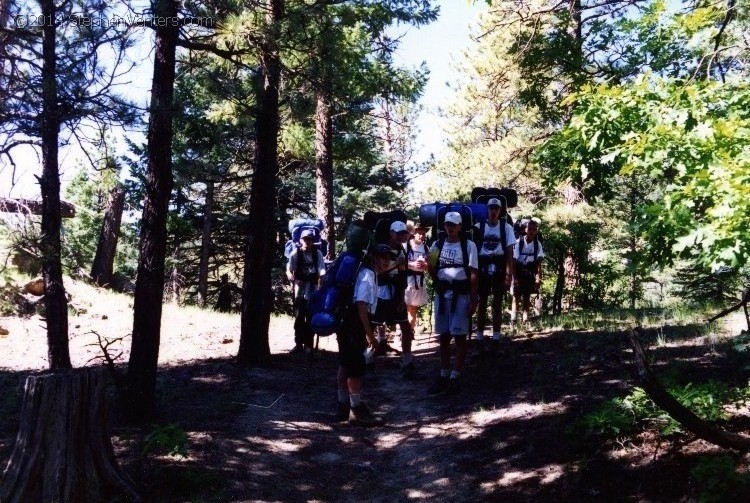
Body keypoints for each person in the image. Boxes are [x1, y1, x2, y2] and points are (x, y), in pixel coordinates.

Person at [335, 244, 394, 426]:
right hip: (354, 325)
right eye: (383, 257)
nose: (386, 261)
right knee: (355, 367)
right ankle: (355, 410)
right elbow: (361, 307)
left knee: (346, 364)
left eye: (388, 257)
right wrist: (371, 336)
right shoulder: (368, 275)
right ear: (373, 257)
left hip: (347, 324)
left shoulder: (368, 273)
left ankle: (343, 406)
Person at [427, 211, 479, 395]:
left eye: (453, 224)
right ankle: (443, 374)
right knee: (444, 335)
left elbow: (473, 273)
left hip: (461, 295)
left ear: (460, 227)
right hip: (442, 295)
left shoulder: (469, 245)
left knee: (460, 335)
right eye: (447, 224)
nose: (450, 227)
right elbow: (430, 266)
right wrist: (438, 282)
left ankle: (455, 376)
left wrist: (474, 299)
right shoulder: (437, 244)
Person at [372, 221, 417, 379]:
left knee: (404, 325)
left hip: (396, 292)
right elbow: (377, 274)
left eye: (402, 233)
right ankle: (367, 358)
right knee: (373, 324)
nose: (400, 236)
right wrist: (394, 267)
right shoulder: (380, 249)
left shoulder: (402, 250)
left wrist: (401, 295)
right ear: (391, 233)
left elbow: (402, 274)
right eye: (397, 233)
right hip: (381, 291)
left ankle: (407, 361)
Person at [473, 197, 516, 353]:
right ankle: (479, 338)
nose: (493, 211)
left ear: (500, 211)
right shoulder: (478, 227)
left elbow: (510, 252)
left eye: (496, 209)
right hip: (483, 267)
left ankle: (496, 338)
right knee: (482, 303)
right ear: (487, 210)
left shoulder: (507, 228)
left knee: (497, 303)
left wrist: (509, 274)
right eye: (491, 208)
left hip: (499, 266)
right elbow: (473, 252)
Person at [286, 229, 326, 354]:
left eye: (309, 239)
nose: (307, 241)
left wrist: (321, 279)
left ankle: (309, 345)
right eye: (305, 239)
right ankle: (298, 344)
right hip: (300, 290)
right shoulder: (295, 254)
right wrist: (295, 280)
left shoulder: (317, 253)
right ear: (300, 240)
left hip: (313, 290)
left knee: (310, 318)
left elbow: (321, 268)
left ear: (312, 240)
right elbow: (288, 270)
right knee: (299, 318)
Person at [513, 218, 544, 324]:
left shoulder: (537, 244)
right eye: (530, 229)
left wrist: (538, 277)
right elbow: (514, 261)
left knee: (526, 296)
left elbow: (539, 262)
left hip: (530, 272)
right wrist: (515, 278)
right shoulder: (518, 243)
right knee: (516, 296)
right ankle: (514, 319)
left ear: (536, 231)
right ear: (525, 229)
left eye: (534, 229)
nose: (532, 231)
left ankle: (525, 319)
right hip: (518, 271)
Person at [404, 222, 430, 334]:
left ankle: (411, 331)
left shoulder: (426, 248)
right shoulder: (406, 245)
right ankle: (402, 332)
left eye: (424, 233)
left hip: (419, 281)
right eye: (420, 233)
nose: (422, 235)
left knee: (414, 307)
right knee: (404, 306)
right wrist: (412, 265)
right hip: (407, 279)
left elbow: (430, 265)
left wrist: (425, 266)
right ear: (414, 233)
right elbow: (399, 263)